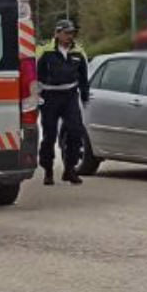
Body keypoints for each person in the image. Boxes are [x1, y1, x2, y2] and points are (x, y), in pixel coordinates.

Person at [36, 19, 90, 185]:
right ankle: (48, 170)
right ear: (57, 33)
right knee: (49, 135)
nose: (69, 36)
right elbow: (35, 76)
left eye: (72, 33)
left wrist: (85, 96)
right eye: (66, 33)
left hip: (70, 96)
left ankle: (70, 169)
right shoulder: (45, 52)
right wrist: (35, 98)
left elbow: (83, 77)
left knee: (75, 132)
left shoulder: (78, 52)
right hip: (50, 97)